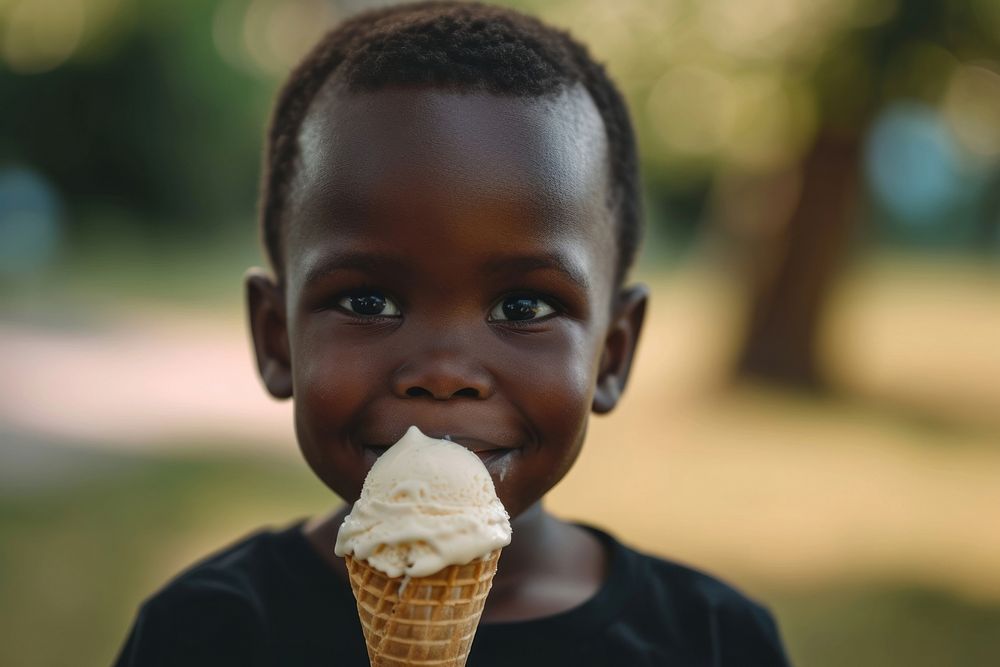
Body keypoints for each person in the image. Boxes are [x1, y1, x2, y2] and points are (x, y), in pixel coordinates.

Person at [113, 2, 791, 665]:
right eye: (368, 299)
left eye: (523, 307)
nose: (442, 371)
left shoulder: (714, 641)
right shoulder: (203, 635)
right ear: (275, 338)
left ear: (612, 353)